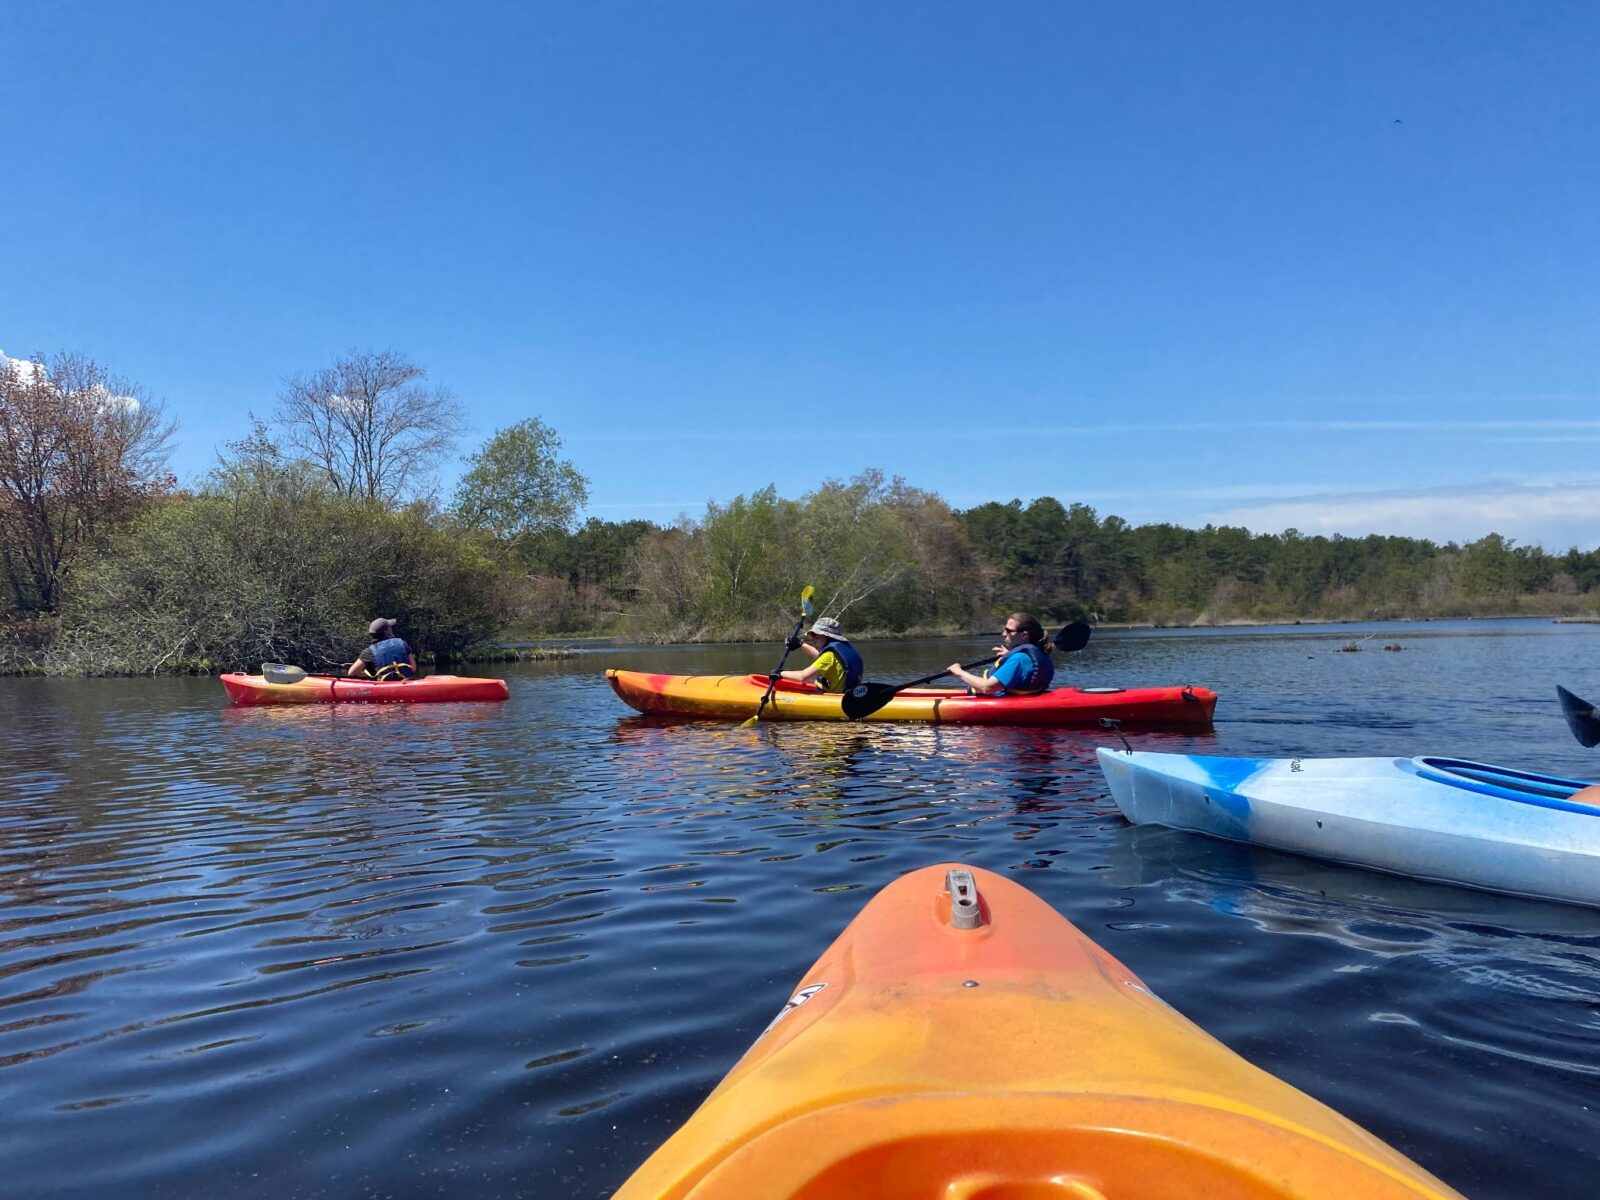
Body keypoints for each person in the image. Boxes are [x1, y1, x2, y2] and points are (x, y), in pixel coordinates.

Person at [947, 612, 1055, 697]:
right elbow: (1024, 668)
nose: (1004, 634)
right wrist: (1009, 656)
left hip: (989, 698)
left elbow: (987, 688)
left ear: (1024, 635)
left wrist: (959, 672)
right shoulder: (1041, 654)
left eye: (1009, 631)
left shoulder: (1018, 659)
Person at [779, 616, 864, 693]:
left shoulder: (829, 656)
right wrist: (800, 644)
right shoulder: (840, 650)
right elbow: (821, 657)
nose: (813, 639)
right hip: (849, 693)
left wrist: (779, 673)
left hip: (834, 698)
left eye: (816, 636)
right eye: (812, 635)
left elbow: (802, 677)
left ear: (828, 636)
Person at [349, 617, 418, 681]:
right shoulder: (402, 643)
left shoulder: (368, 652)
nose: (391, 629)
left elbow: (351, 673)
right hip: (405, 683)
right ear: (386, 631)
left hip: (384, 685)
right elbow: (413, 668)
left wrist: (372, 676)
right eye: (390, 627)